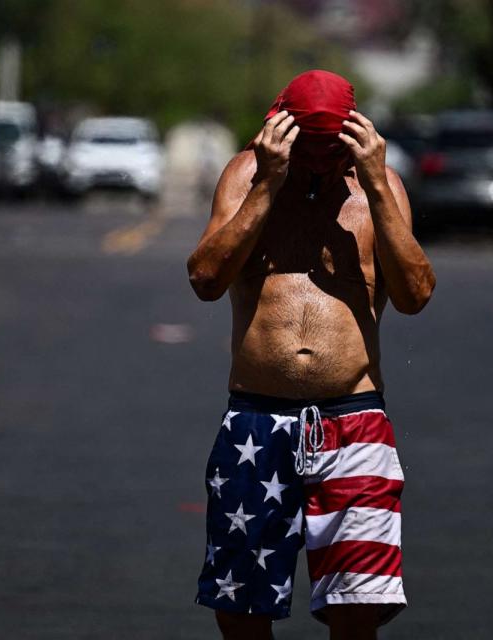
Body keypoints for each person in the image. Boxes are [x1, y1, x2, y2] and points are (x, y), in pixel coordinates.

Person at [187, 70, 435, 640]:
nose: (319, 166)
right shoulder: (247, 173)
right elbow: (205, 278)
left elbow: (416, 296)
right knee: (242, 610)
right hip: (256, 418)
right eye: (307, 151)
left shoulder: (382, 188)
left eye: (330, 153)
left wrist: (374, 183)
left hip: (354, 421)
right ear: (280, 130)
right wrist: (268, 185)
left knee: (356, 610)